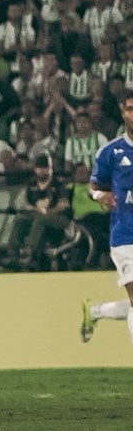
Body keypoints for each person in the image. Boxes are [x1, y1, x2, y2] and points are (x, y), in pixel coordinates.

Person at [82, 94, 133, 344]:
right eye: (130, 109)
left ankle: (96, 311)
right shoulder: (110, 152)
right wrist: (101, 195)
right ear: (123, 112)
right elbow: (91, 187)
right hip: (125, 235)